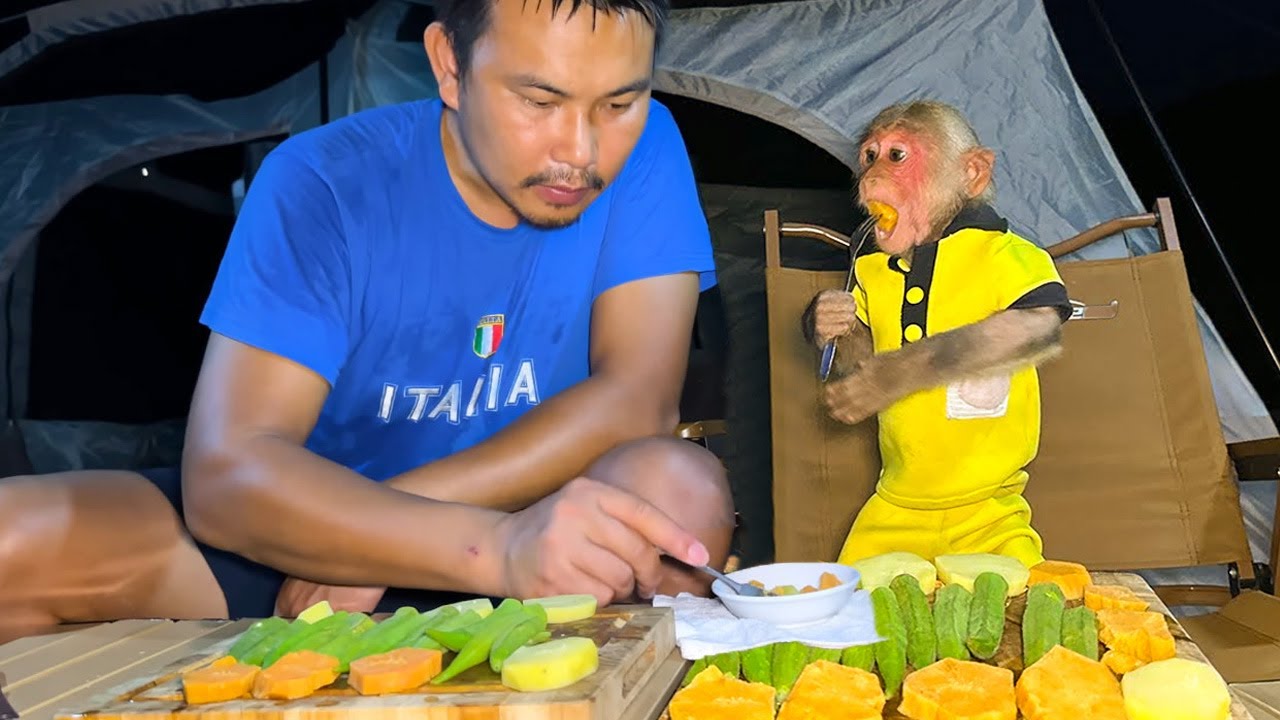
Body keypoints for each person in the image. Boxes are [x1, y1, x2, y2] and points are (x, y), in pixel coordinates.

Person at [0, 0, 736, 644]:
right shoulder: (322, 181)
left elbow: (637, 400)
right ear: (450, 66)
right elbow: (226, 477)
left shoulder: (647, 147)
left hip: (542, 532)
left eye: (618, 104)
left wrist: (459, 539)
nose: (580, 151)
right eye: (539, 101)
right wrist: (443, 544)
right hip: (309, 532)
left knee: (680, 492)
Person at [804, 100, 1071, 569]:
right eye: (870, 156)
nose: (872, 176)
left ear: (972, 173)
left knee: (1023, 598)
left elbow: (1039, 328)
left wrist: (904, 370)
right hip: (894, 503)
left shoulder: (1001, 254)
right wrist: (835, 329)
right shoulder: (871, 267)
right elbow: (860, 368)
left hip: (989, 508)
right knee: (847, 603)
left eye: (898, 155)